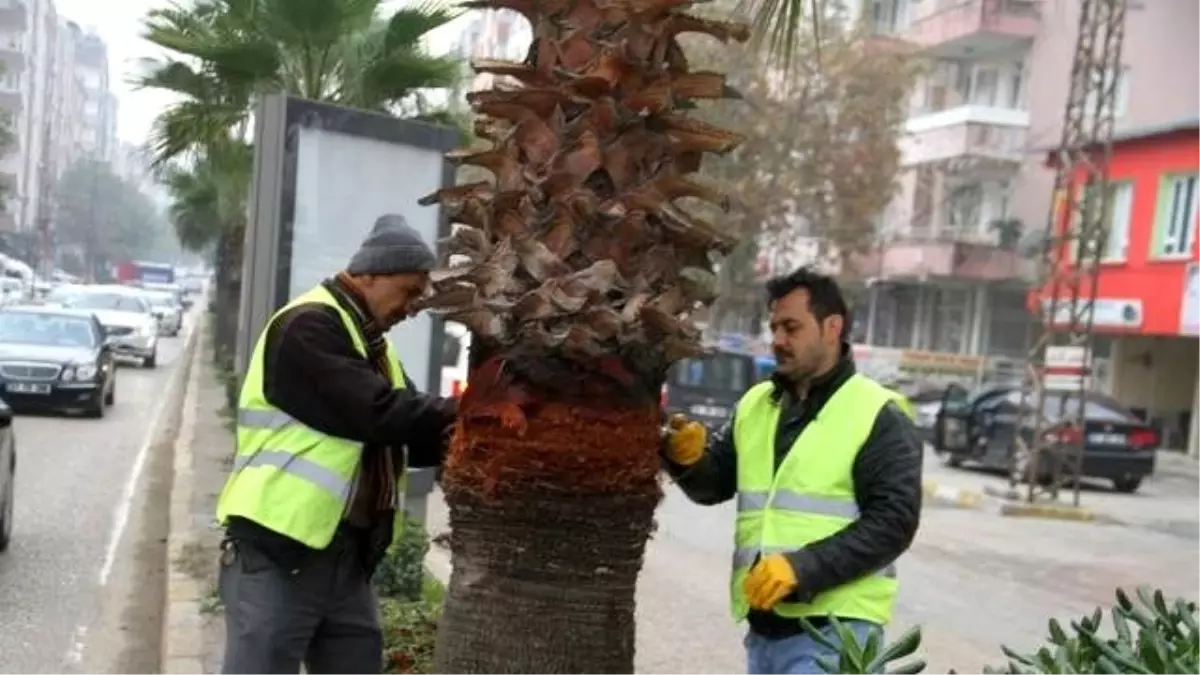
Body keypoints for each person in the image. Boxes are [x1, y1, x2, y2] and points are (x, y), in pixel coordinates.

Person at [215, 214, 457, 675]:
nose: (413, 307)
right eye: (409, 291)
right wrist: (469, 408)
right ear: (369, 275)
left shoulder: (369, 345)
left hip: (344, 559)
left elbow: (408, 431)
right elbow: (375, 412)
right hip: (279, 552)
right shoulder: (307, 326)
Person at [662, 267, 923, 675]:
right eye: (774, 328)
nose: (778, 340)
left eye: (792, 327)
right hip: (765, 635)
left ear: (832, 327)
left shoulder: (878, 413)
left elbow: (893, 523)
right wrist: (688, 461)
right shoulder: (756, 405)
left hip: (837, 633)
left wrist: (801, 568)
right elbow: (715, 486)